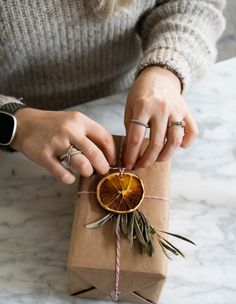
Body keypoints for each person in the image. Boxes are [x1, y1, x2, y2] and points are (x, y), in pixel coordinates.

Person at [0, 0, 225, 184]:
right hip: (20, 148)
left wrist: (166, 69)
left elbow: (197, 5)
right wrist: (17, 124)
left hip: (128, 101)